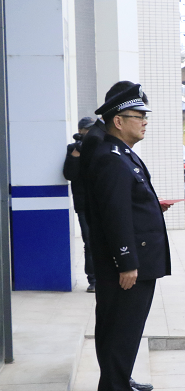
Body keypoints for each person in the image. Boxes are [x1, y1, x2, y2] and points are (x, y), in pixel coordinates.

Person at [88, 82, 171, 391]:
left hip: (137, 259)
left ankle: (119, 388)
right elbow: (115, 217)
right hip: (128, 264)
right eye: (139, 116)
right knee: (121, 332)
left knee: (123, 331)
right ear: (118, 121)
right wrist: (126, 262)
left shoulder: (122, 154)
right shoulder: (110, 158)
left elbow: (128, 206)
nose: (145, 121)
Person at [64, 117, 97, 292]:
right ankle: (93, 280)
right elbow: (69, 174)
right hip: (84, 204)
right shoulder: (74, 149)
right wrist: (76, 155)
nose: (91, 133)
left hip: (102, 202)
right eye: (87, 130)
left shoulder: (101, 146)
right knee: (90, 242)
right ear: (81, 131)